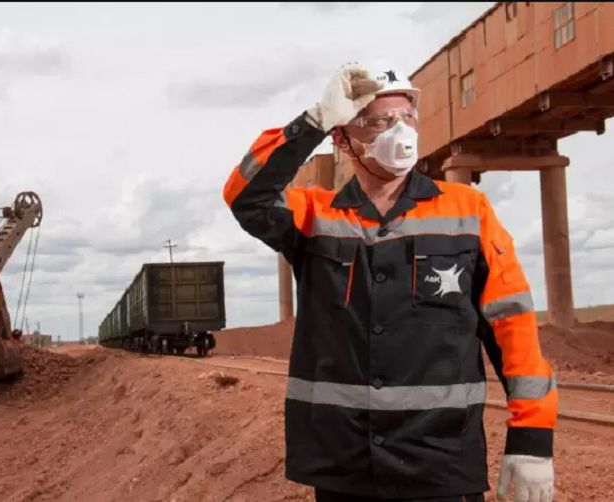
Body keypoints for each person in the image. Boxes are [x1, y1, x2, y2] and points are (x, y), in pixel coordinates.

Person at [222, 63, 557, 502]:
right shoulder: (314, 216)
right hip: (344, 466)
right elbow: (245, 195)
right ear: (343, 139)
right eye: (379, 121)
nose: (399, 131)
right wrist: (314, 121)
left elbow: (510, 324)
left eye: (406, 117)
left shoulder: (467, 210)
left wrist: (532, 437)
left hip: (438, 462)